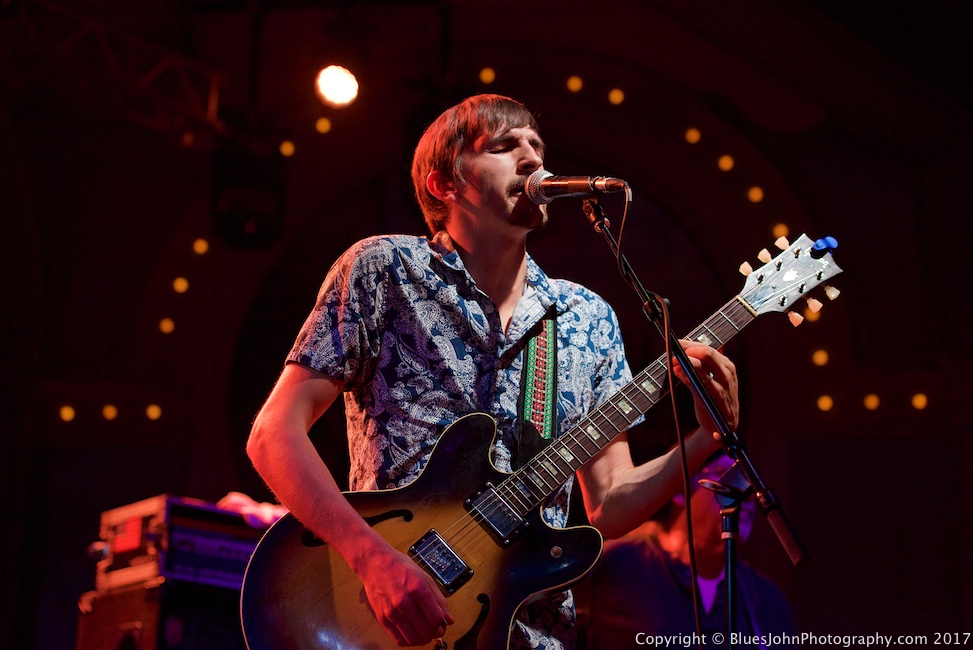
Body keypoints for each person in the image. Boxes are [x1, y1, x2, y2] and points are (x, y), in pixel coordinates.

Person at [245, 93, 739, 649]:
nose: (533, 158)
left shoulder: (587, 318)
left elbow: (607, 503)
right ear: (444, 184)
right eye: (506, 146)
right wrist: (371, 558)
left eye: (537, 145)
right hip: (385, 615)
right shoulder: (384, 270)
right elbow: (273, 435)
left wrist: (706, 436)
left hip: (531, 631)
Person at [579, 453, 795, 649]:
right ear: (680, 490)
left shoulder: (767, 600)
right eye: (725, 476)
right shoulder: (614, 564)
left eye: (750, 485)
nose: (745, 494)